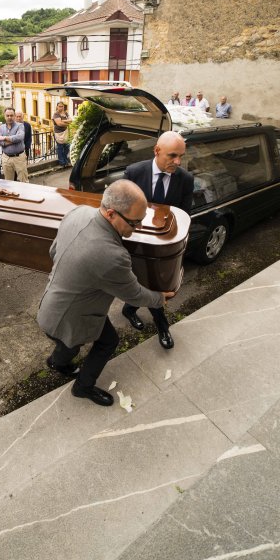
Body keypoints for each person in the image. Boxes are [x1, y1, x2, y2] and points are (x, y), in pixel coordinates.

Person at [38, 181, 174, 407]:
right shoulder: (112, 256)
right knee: (105, 342)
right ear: (111, 213)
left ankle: (56, 363)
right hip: (69, 319)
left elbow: (54, 251)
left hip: (51, 302)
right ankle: (82, 387)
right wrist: (161, 298)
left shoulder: (78, 212)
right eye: (134, 222)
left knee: (67, 346)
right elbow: (134, 295)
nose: (138, 227)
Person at [122, 131, 194, 349]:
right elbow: (121, 208)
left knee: (155, 286)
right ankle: (137, 313)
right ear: (157, 151)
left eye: (181, 156)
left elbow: (184, 216)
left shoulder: (185, 180)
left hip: (163, 249)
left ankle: (153, 321)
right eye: (172, 155)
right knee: (140, 283)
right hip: (135, 245)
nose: (178, 162)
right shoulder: (133, 173)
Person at [0, 107, 29, 182]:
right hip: (6, 158)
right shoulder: (1, 128)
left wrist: (4, 137)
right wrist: (12, 140)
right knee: (8, 182)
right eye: (7, 115)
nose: (9, 117)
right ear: (4, 116)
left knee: (23, 181)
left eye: (11, 115)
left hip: (19, 158)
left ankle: (24, 194)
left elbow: (19, 137)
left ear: (14, 116)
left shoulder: (20, 126)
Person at [52, 101, 72, 167]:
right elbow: (59, 124)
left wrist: (63, 120)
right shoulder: (56, 114)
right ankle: (62, 162)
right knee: (60, 148)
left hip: (65, 132)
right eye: (59, 106)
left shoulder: (65, 113)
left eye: (62, 106)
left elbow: (71, 120)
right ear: (57, 107)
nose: (61, 108)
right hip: (58, 133)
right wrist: (67, 123)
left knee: (67, 147)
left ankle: (65, 160)